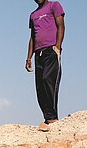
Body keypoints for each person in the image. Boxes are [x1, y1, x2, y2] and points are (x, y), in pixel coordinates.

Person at [25, 0, 65, 132]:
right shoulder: (33, 14)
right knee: (40, 85)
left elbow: (61, 26)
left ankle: (52, 117)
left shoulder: (54, 6)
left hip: (51, 50)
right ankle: (48, 118)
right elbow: (32, 37)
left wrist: (57, 47)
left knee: (49, 81)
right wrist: (29, 57)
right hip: (38, 53)